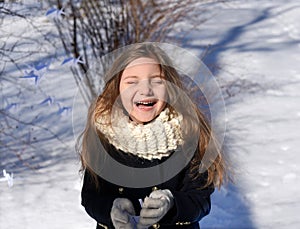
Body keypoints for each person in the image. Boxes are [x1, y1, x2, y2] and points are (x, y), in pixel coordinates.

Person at [78, 43, 227, 229]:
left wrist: (171, 204)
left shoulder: (188, 134)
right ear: (116, 89)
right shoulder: (103, 136)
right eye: (132, 82)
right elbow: (91, 197)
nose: (145, 90)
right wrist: (111, 209)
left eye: (156, 81)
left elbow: (200, 200)